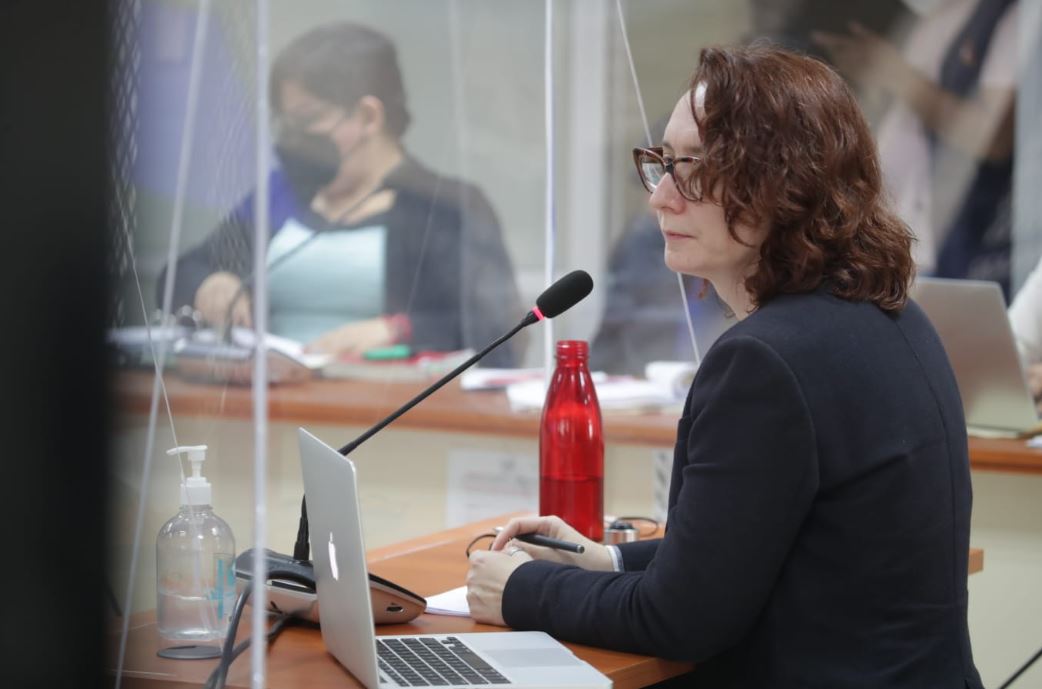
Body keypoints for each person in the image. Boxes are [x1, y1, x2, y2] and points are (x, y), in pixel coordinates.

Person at [466, 43, 982, 688]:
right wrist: (608, 560)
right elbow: (764, 547)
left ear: (785, 184)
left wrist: (519, 589)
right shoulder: (892, 317)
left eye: (695, 169)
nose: (661, 200)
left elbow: (681, 622)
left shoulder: (766, 360)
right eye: (662, 163)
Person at [161, 22, 524, 366]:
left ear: (368, 116)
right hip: (277, 404)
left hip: (400, 414)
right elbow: (178, 273)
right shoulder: (279, 194)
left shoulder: (445, 208)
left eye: (309, 120)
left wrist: (398, 330)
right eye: (285, 124)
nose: (293, 139)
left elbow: (497, 332)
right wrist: (211, 283)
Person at [812, 0, 1018, 295]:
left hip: (958, 247)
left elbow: (993, 137)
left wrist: (894, 72)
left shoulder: (1011, 16)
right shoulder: (930, 18)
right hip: (889, 239)